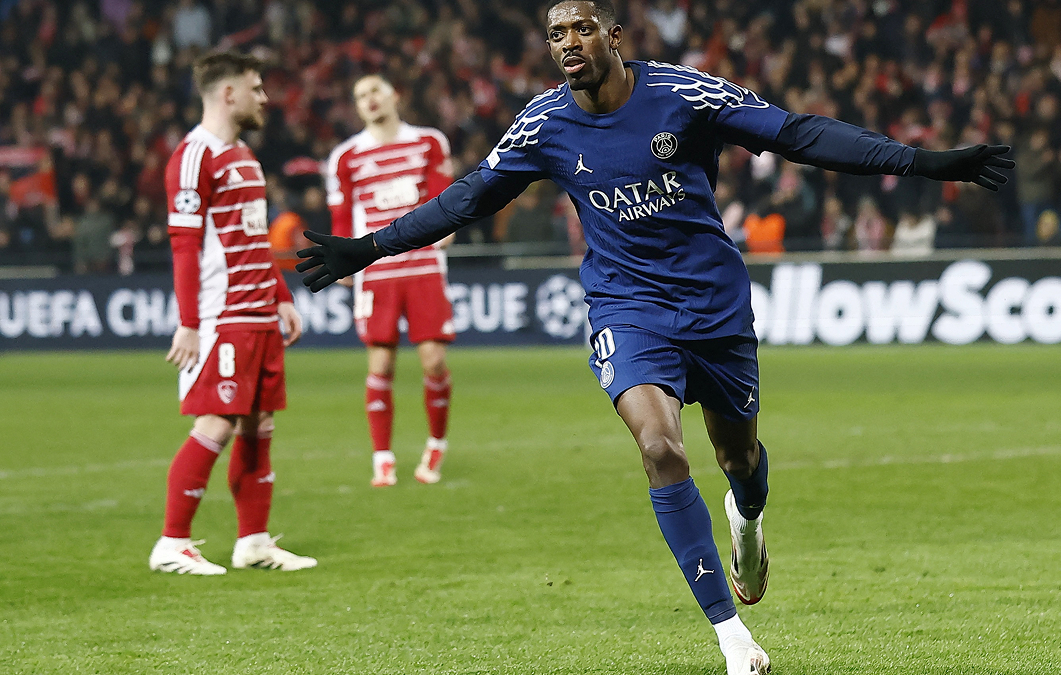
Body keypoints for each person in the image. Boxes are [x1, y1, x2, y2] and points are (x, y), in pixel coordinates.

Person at [296, 2, 1014, 673]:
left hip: (715, 306)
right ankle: (731, 634)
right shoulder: (543, 124)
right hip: (627, 307)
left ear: (613, 36)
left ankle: (748, 517)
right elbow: (467, 197)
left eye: (582, 28)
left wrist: (923, 162)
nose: (568, 43)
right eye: (556, 34)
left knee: (740, 459)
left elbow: (797, 134)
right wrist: (369, 247)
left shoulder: (686, 94)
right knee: (660, 447)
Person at [151, 51, 316, 576]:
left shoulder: (244, 155)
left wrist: (281, 296)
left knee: (259, 425)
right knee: (216, 422)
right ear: (228, 94)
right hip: (223, 316)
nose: (264, 98)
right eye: (256, 88)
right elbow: (184, 246)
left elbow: (253, 239)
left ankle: (254, 542)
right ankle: (172, 543)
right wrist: (189, 323)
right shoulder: (193, 157)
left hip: (259, 312)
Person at [325, 74, 457, 487]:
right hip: (377, 270)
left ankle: (436, 443)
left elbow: (444, 197)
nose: (369, 100)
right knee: (380, 363)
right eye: (360, 95)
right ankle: (382, 456)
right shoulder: (345, 157)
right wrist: (342, 259)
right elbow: (341, 216)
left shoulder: (429, 142)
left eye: (375, 91)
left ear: (394, 95)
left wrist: (448, 226)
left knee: (433, 361)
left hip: (423, 266)